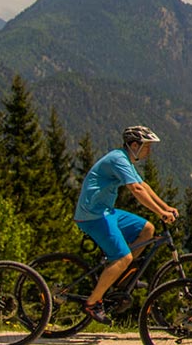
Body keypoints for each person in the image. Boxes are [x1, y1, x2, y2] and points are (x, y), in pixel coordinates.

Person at [73, 124, 178, 324]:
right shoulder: (118, 159)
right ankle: (92, 303)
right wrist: (161, 213)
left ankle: (123, 276)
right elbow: (136, 190)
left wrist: (166, 207)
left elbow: (143, 185)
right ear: (134, 145)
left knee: (147, 229)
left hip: (106, 212)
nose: (149, 150)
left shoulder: (125, 159)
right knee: (123, 256)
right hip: (92, 216)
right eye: (147, 146)